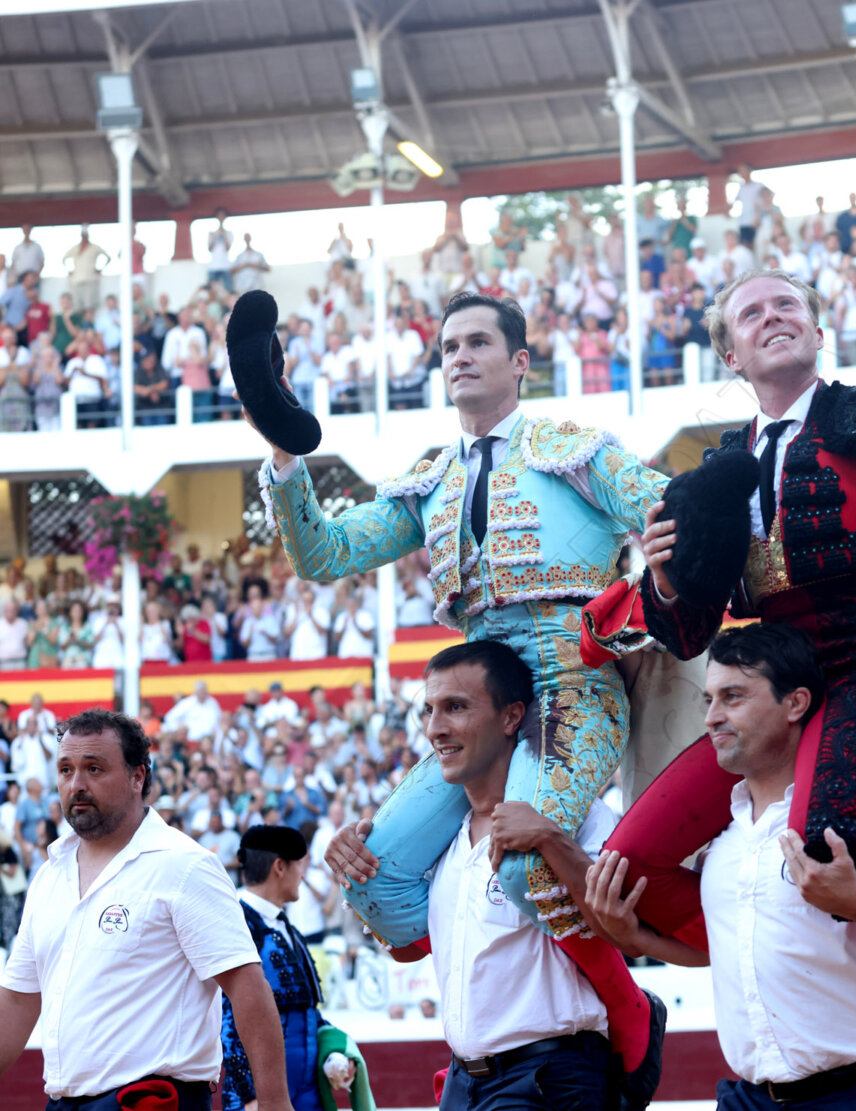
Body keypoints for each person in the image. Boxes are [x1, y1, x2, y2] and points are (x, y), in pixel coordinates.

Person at [243, 290, 669, 1085]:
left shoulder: (576, 449)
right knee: (375, 873)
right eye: (448, 347)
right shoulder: (432, 480)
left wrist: (663, 580)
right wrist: (284, 456)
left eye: (478, 343)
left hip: (572, 681)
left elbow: (662, 507)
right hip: (476, 693)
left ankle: (625, 1007)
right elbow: (326, 554)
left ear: (519, 362)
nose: (460, 356)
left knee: (522, 861)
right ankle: (498, 985)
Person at [606, 268, 856, 1036]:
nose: (773, 318)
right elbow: (691, 631)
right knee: (629, 863)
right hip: (764, 687)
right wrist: (663, 578)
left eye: (788, 305)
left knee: (826, 841)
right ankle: (759, 953)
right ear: (730, 354)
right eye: (751, 314)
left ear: (818, 330)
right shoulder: (715, 476)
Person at [587, 624, 856, 1110]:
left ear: (796, 703)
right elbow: (734, 951)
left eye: (733, 697)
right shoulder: (726, 836)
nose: (713, 717)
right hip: (751, 1097)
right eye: (709, 700)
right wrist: (636, 940)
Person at [327, 641, 625, 1111]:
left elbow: (620, 929)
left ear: (511, 718)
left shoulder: (578, 817)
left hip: (550, 1078)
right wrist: (358, 872)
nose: (435, 729)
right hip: (465, 1082)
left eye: (456, 708)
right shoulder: (443, 843)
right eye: (429, 710)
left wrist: (551, 839)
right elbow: (410, 951)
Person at [0, 709, 293, 1111]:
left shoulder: (184, 865)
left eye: (94, 768)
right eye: (66, 770)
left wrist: (276, 1103)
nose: (77, 784)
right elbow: (18, 1001)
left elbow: (246, 986)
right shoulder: (48, 878)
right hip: (63, 1101)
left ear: (138, 777)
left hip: (153, 1100)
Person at [223, 825, 330, 1111]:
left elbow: (308, 1010)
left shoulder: (286, 928)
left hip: (308, 1093)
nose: (302, 875)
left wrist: (335, 1052)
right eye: (299, 865)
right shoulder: (236, 922)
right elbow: (226, 1013)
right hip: (262, 1096)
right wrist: (249, 1096)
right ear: (280, 867)